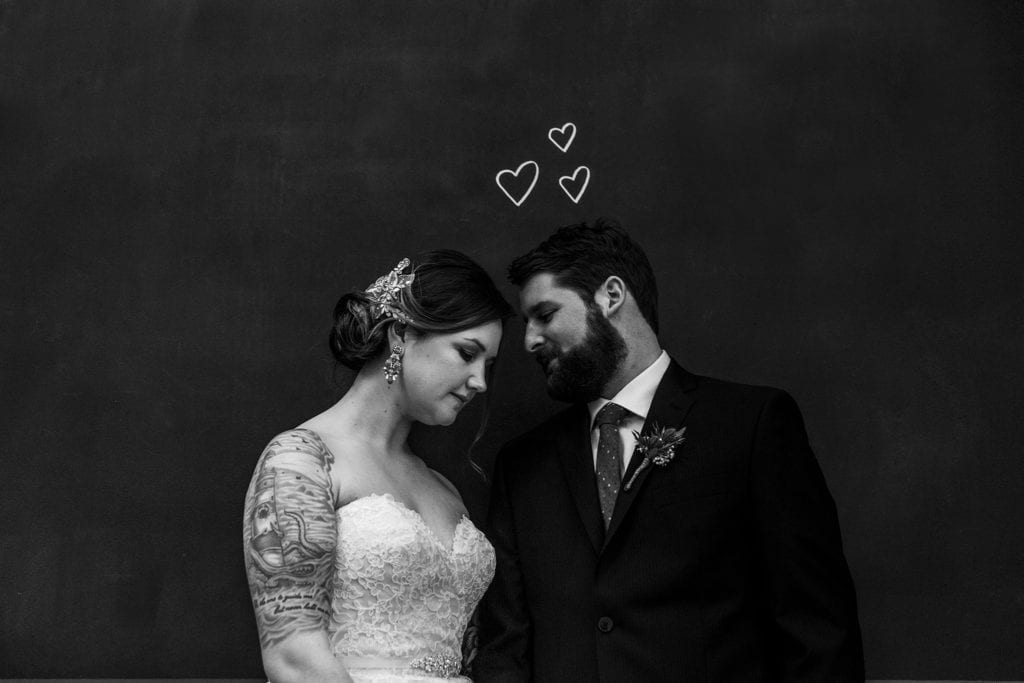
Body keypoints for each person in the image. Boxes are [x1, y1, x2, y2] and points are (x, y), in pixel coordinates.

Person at [476, 220, 864, 682]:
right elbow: (506, 648)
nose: (529, 341)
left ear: (611, 296)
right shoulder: (523, 466)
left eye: (545, 314)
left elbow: (816, 626)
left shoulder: (749, 425)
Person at [243, 250, 513, 683]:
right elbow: (294, 657)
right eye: (467, 353)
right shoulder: (300, 461)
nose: (480, 381)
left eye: (489, 365)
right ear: (401, 335)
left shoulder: (442, 488)